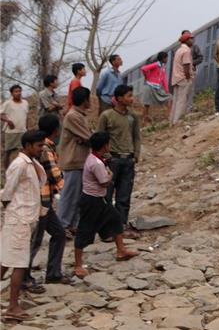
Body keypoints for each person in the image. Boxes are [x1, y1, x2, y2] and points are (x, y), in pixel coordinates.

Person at [73, 131, 138, 278]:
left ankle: (121, 250)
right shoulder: (96, 163)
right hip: (92, 200)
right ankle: (78, 264)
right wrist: (111, 175)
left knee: (115, 219)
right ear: (105, 145)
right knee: (85, 229)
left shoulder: (95, 159)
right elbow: (104, 182)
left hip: (100, 199)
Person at [1, 130, 47, 321]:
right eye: (38, 146)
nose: (41, 149)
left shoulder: (32, 163)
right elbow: (8, 192)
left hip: (26, 218)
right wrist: (14, 210)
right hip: (19, 219)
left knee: (5, 261)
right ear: (28, 146)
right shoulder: (20, 164)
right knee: (18, 264)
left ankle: (13, 304)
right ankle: (13, 306)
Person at [27, 114, 71, 287]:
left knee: (59, 234)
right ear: (55, 130)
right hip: (41, 202)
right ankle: (24, 277)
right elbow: (54, 174)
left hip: (46, 200)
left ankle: (53, 273)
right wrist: (65, 184)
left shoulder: (44, 146)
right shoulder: (45, 148)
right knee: (36, 240)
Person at [97, 84, 142, 231]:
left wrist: (136, 154)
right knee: (107, 196)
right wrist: (106, 156)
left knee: (124, 196)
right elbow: (99, 137)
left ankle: (120, 226)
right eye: (129, 96)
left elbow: (137, 136)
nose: (132, 98)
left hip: (128, 160)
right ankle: (106, 227)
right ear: (119, 98)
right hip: (112, 161)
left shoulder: (132, 116)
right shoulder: (106, 116)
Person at [57, 86, 93, 235]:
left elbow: (86, 137)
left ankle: (73, 224)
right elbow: (88, 137)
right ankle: (63, 226)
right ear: (85, 100)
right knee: (69, 195)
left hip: (80, 160)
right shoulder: (73, 116)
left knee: (78, 195)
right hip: (73, 161)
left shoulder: (80, 115)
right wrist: (87, 139)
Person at [1, 84, 30, 174]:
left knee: (23, 151)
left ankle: (22, 170)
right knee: (8, 152)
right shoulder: (8, 103)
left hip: (23, 131)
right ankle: (6, 171)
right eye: (16, 91)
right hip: (11, 131)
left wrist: (27, 128)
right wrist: (8, 121)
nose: (18, 93)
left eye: (20, 91)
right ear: (12, 93)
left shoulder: (25, 103)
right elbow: (1, 114)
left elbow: (27, 116)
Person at [139, 51, 172, 127]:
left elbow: (164, 79)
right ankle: (144, 122)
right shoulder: (156, 65)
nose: (167, 59)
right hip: (149, 86)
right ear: (163, 58)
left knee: (169, 98)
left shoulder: (162, 67)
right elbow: (143, 69)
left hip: (157, 87)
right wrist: (147, 77)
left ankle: (169, 117)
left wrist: (167, 90)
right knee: (146, 105)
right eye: (166, 58)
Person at [170, 32, 196, 124]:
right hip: (183, 79)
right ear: (187, 40)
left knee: (176, 101)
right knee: (182, 101)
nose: (192, 40)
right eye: (191, 39)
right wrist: (188, 78)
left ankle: (172, 121)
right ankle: (177, 121)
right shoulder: (186, 51)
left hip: (176, 79)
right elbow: (186, 66)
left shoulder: (178, 51)